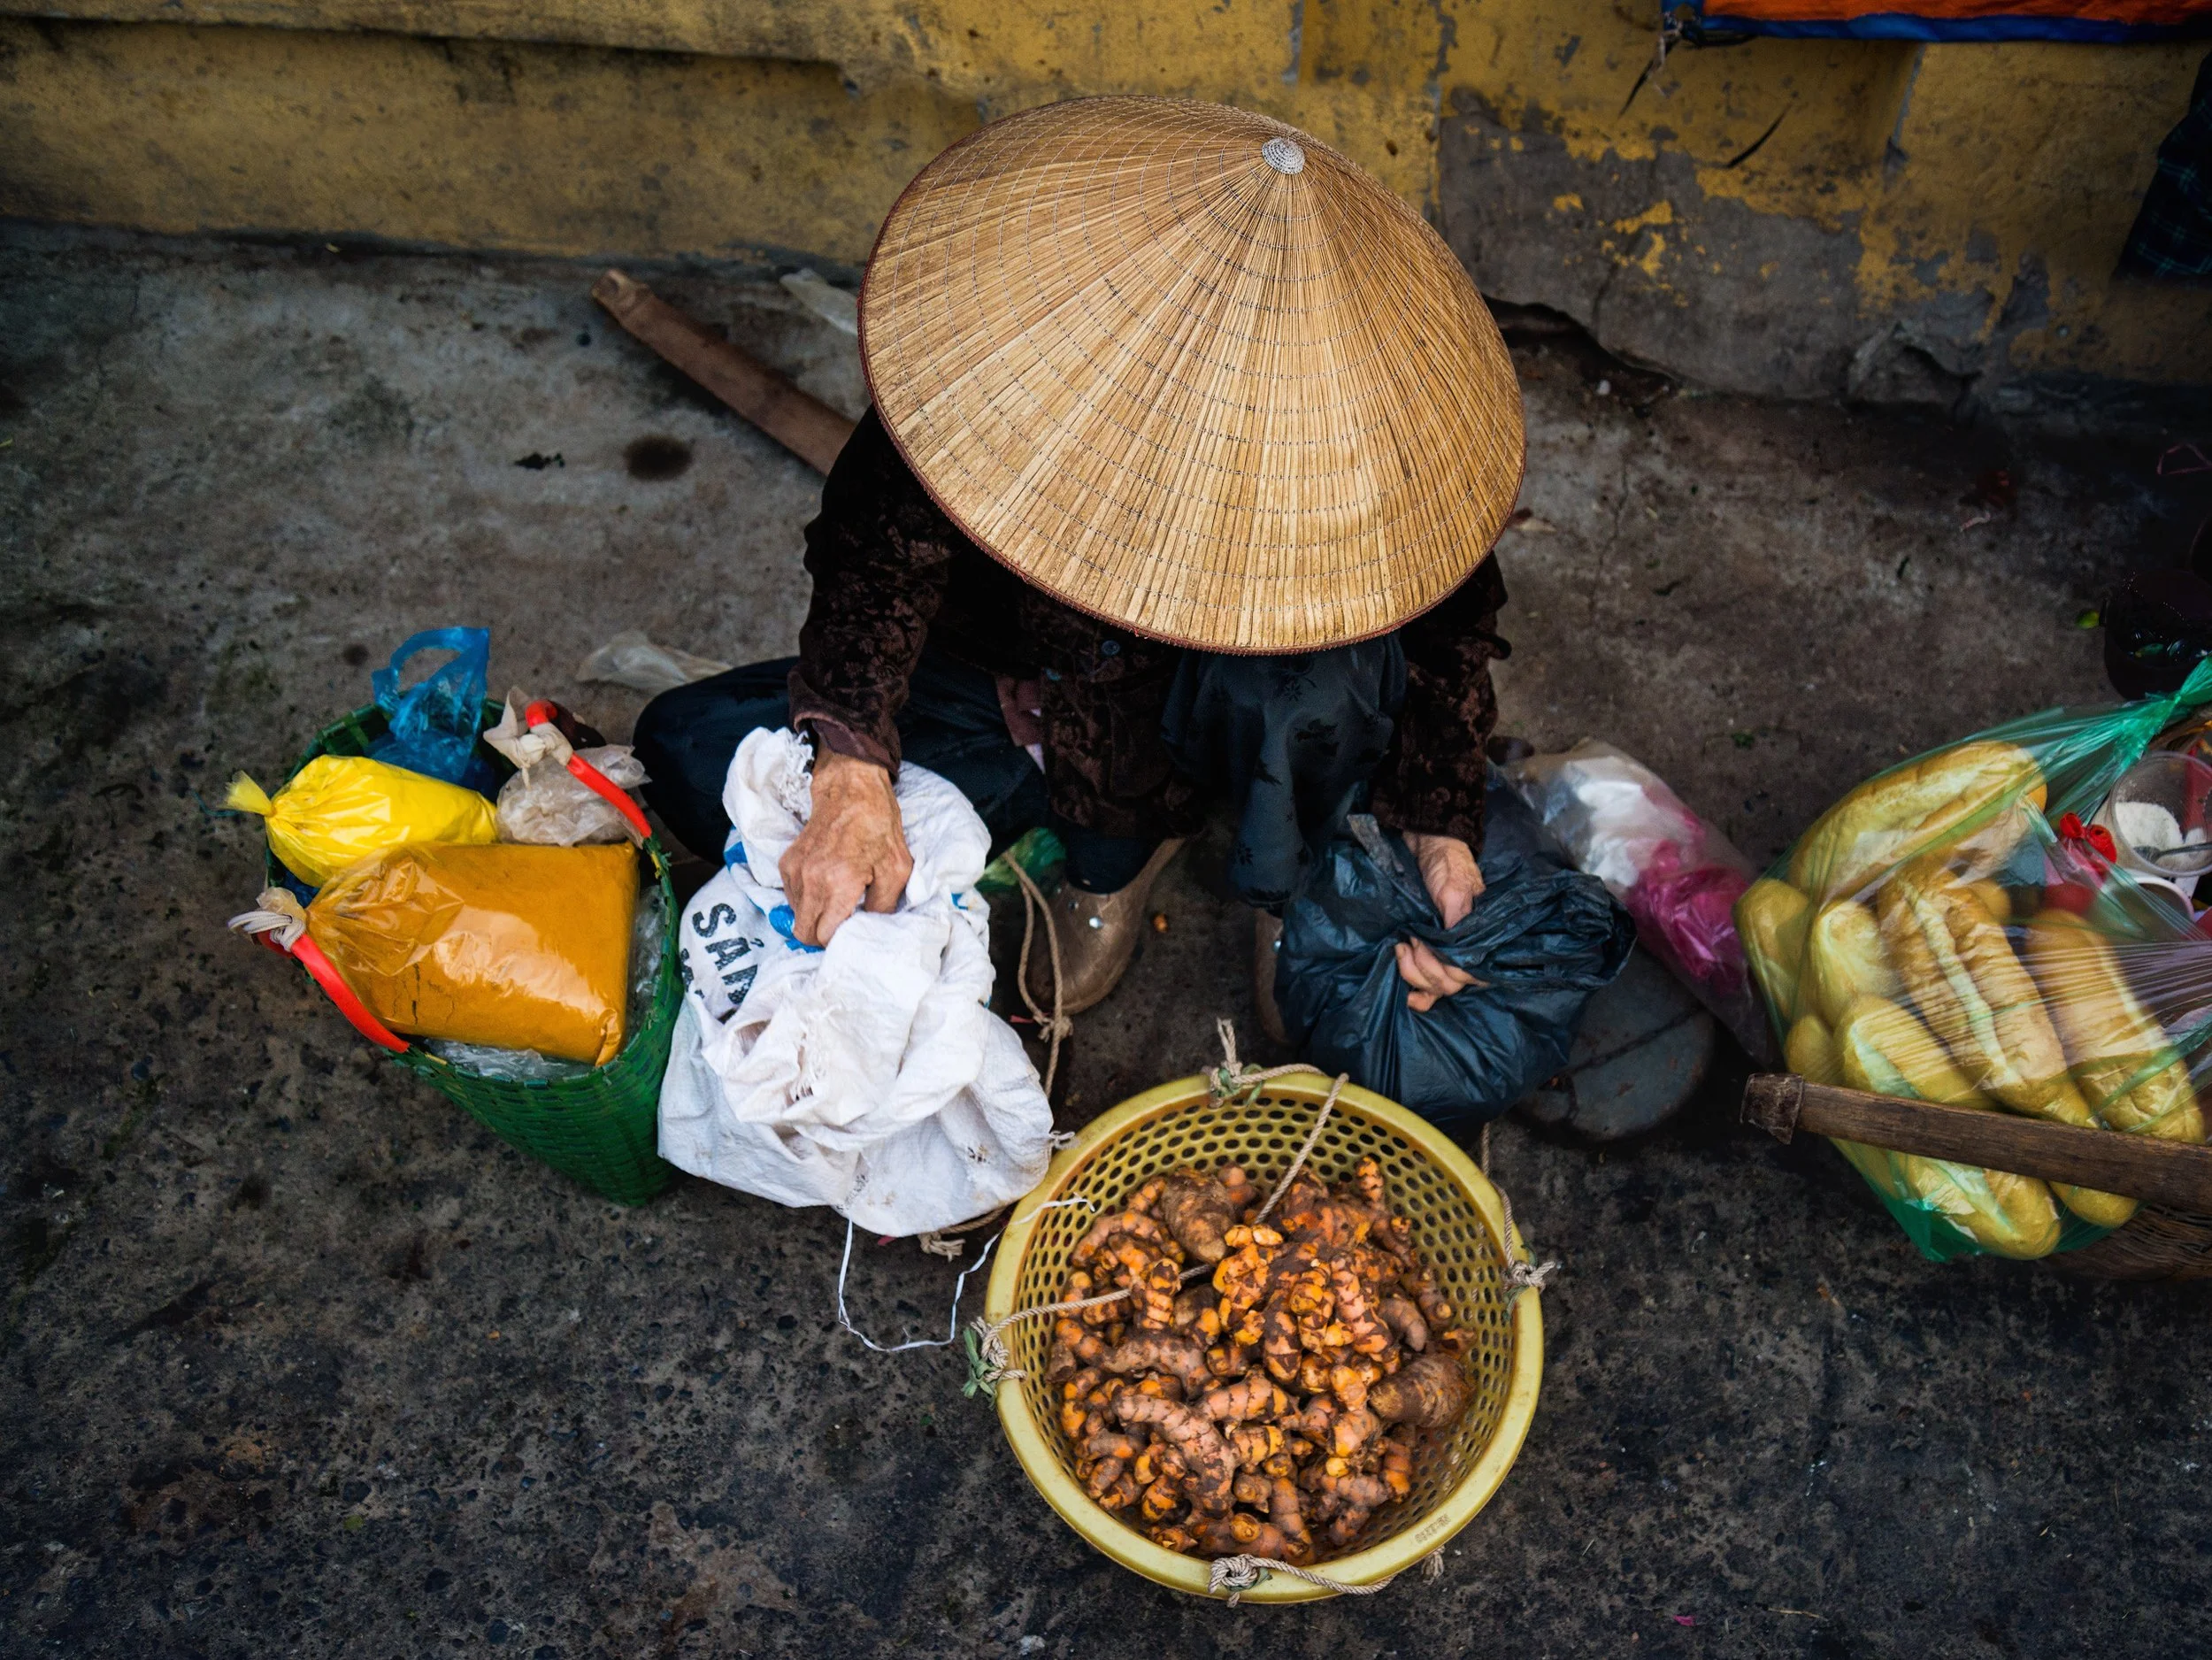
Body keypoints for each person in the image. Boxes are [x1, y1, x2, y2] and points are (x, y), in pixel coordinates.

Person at [634, 97, 1526, 1032]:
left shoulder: (1382, 422)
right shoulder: (1007, 354)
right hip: (1027, 691)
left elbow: (1450, 634)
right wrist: (851, 769)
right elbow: (875, 561)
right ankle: (1114, 868)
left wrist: (1440, 828)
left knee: (1321, 692)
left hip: (1232, 704)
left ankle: (1284, 887)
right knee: (684, 753)